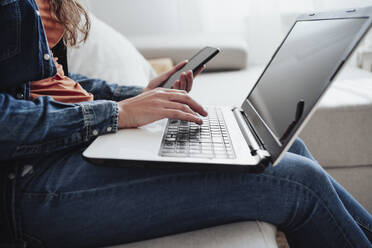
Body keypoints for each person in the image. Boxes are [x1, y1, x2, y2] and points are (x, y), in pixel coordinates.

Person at [1, 0, 372, 247]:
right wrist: (118, 114)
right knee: (298, 182)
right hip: (31, 181)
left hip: (72, 146)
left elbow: (49, 81)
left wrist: (136, 95)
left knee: (288, 151)